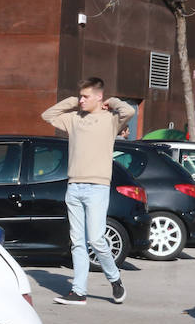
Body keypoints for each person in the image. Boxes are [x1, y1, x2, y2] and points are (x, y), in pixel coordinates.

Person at [42, 77, 135, 305]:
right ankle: (79, 291)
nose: (82, 100)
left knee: (96, 239)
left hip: (97, 187)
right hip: (74, 186)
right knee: (77, 242)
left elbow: (129, 111)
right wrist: (73, 100)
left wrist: (111, 101)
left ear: (98, 97)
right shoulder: (74, 118)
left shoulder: (111, 119)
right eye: (80, 96)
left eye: (85, 96)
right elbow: (47, 116)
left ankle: (114, 279)